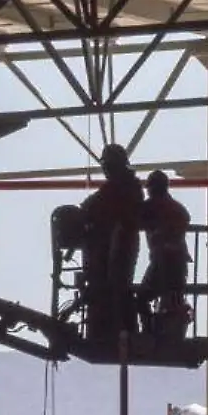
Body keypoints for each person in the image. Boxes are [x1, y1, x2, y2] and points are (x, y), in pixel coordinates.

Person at [78, 144, 144, 340]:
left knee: (116, 289)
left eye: (107, 165)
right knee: (116, 289)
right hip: (118, 247)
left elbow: (92, 207)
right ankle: (118, 328)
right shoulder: (125, 186)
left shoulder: (122, 188)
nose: (105, 170)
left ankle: (116, 329)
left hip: (119, 248)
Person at [138, 170, 192, 338]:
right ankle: (168, 330)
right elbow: (185, 218)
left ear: (151, 188)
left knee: (141, 298)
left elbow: (131, 220)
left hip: (163, 262)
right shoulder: (178, 209)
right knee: (174, 299)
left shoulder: (150, 207)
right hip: (178, 263)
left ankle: (148, 331)